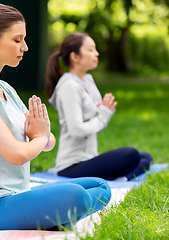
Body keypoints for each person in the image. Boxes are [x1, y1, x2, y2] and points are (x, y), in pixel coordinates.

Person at [0, 4, 111, 231]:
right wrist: (39, 137)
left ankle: (53, 219)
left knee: (100, 186)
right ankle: (55, 219)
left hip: (18, 195)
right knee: (77, 196)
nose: (25, 47)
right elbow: (17, 154)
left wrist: (41, 135)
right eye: (17, 40)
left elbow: (48, 141)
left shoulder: (5, 89)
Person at [45, 32, 153, 180]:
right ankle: (118, 176)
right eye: (90, 50)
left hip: (90, 158)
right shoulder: (69, 86)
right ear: (75, 57)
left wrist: (103, 113)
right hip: (72, 166)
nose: (96, 53)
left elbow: (97, 119)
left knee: (145, 157)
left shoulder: (87, 80)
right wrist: (104, 113)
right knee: (131, 154)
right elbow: (76, 131)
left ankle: (117, 177)